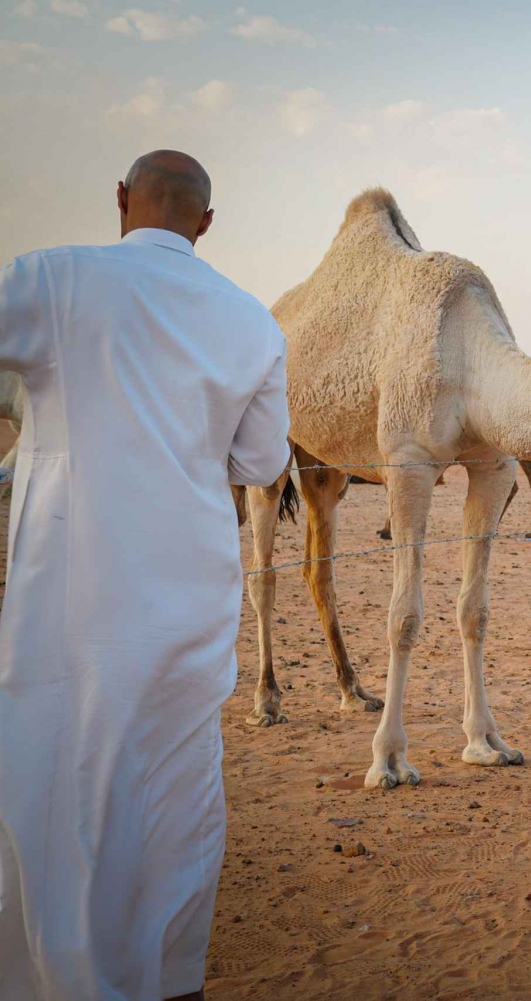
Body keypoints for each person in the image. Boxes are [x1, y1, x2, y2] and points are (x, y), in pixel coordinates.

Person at [0, 151, 291, 1001]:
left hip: (71, 594)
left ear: (122, 199)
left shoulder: (54, 279)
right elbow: (262, 461)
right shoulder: (252, 320)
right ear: (207, 223)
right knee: (174, 793)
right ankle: (168, 977)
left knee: (55, 778)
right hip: (192, 599)